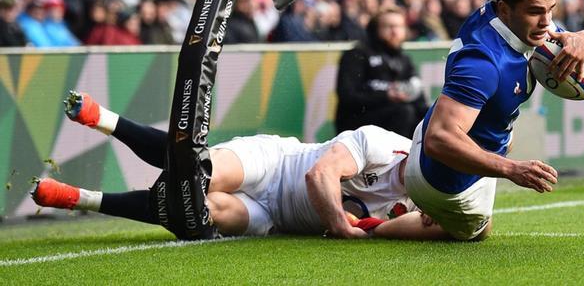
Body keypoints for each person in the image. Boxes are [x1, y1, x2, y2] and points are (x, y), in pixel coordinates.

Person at [32, 91, 447, 241]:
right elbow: (317, 176)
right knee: (197, 171)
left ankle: (81, 199)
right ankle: (104, 119)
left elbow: (469, 227)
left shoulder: (421, 199)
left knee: (195, 209)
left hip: (271, 217)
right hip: (274, 164)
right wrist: (340, 226)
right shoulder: (380, 143)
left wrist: (444, 218)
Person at [404, 0, 584, 241]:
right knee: (479, 231)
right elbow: (439, 140)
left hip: (457, 134)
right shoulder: (483, 63)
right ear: (504, 9)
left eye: (551, 9)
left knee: (500, 137)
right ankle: (374, 227)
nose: (547, 22)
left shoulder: (521, 21)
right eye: (536, 11)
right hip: (445, 180)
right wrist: (511, 170)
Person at [335, 7, 427, 137]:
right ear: (376, 29)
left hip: (397, 117)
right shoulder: (357, 54)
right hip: (358, 125)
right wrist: (386, 96)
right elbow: (348, 96)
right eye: (389, 27)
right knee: (404, 112)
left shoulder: (404, 60)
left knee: (426, 117)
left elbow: (419, 100)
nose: (395, 32)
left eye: (399, 27)